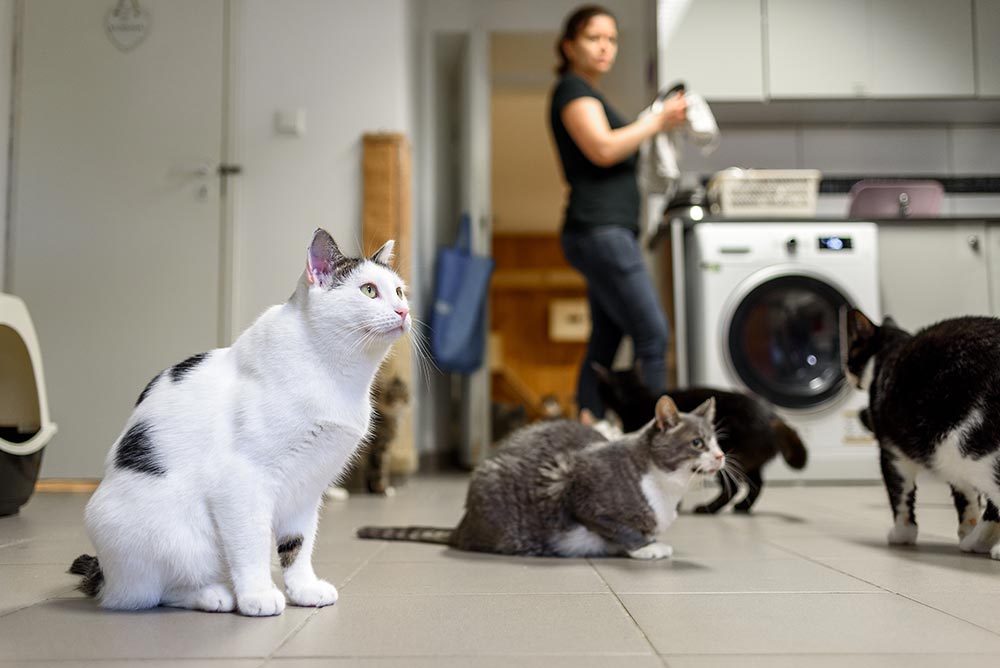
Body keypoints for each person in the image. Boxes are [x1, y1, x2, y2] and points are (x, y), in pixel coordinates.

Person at [549, 4, 687, 418]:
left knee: (606, 339)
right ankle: (658, 437)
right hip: (599, 230)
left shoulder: (587, 92)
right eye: (594, 38)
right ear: (569, 46)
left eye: (611, 39)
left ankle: (587, 429)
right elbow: (604, 149)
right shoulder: (572, 90)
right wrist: (658, 121)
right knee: (652, 334)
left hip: (604, 232)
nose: (605, 47)